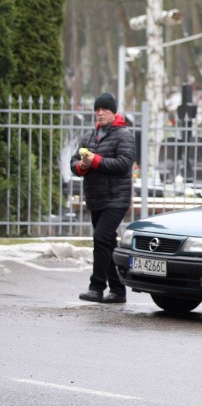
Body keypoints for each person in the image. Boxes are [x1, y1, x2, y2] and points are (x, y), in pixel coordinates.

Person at [71, 93, 136, 303]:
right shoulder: (89, 137)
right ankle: (118, 290)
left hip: (116, 198)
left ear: (113, 112)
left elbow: (124, 163)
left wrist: (96, 161)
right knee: (107, 242)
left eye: (104, 110)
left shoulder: (124, 135)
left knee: (100, 238)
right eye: (97, 110)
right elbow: (74, 162)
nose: (100, 114)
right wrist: (81, 166)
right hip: (96, 197)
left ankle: (96, 287)